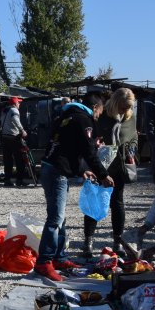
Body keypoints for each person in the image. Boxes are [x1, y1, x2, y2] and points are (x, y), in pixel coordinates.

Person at [34, 94, 114, 282]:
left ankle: (59, 257)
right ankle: (44, 262)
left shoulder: (66, 117)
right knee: (55, 218)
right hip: (56, 172)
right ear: (95, 107)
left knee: (60, 217)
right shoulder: (83, 120)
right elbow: (88, 152)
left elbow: (67, 148)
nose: (98, 116)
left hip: (49, 167)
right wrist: (103, 175)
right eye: (100, 112)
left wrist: (80, 171)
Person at [82, 88, 139, 257]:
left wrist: (131, 149)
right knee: (94, 200)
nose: (125, 110)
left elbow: (134, 136)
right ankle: (88, 242)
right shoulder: (101, 116)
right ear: (115, 103)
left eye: (128, 107)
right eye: (122, 107)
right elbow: (89, 137)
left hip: (119, 166)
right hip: (100, 164)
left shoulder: (129, 117)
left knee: (117, 202)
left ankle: (117, 242)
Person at [0, 96, 30, 187]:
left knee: (7, 160)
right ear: (15, 103)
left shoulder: (4, 110)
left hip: (4, 137)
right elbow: (16, 121)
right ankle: (19, 180)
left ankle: (7, 180)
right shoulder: (14, 110)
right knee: (19, 159)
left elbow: (0, 122)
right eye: (18, 103)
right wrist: (22, 131)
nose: (19, 104)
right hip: (13, 137)